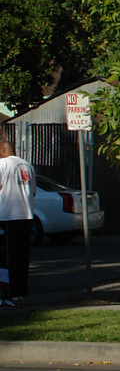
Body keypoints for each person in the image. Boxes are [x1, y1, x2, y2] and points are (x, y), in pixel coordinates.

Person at [0, 130, 36, 307]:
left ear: (3, 151)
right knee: (22, 257)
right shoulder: (27, 165)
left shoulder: (3, 165)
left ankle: (8, 294)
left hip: (7, 217)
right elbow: (33, 192)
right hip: (26, 216)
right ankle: (20, 292)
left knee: (6, 259)